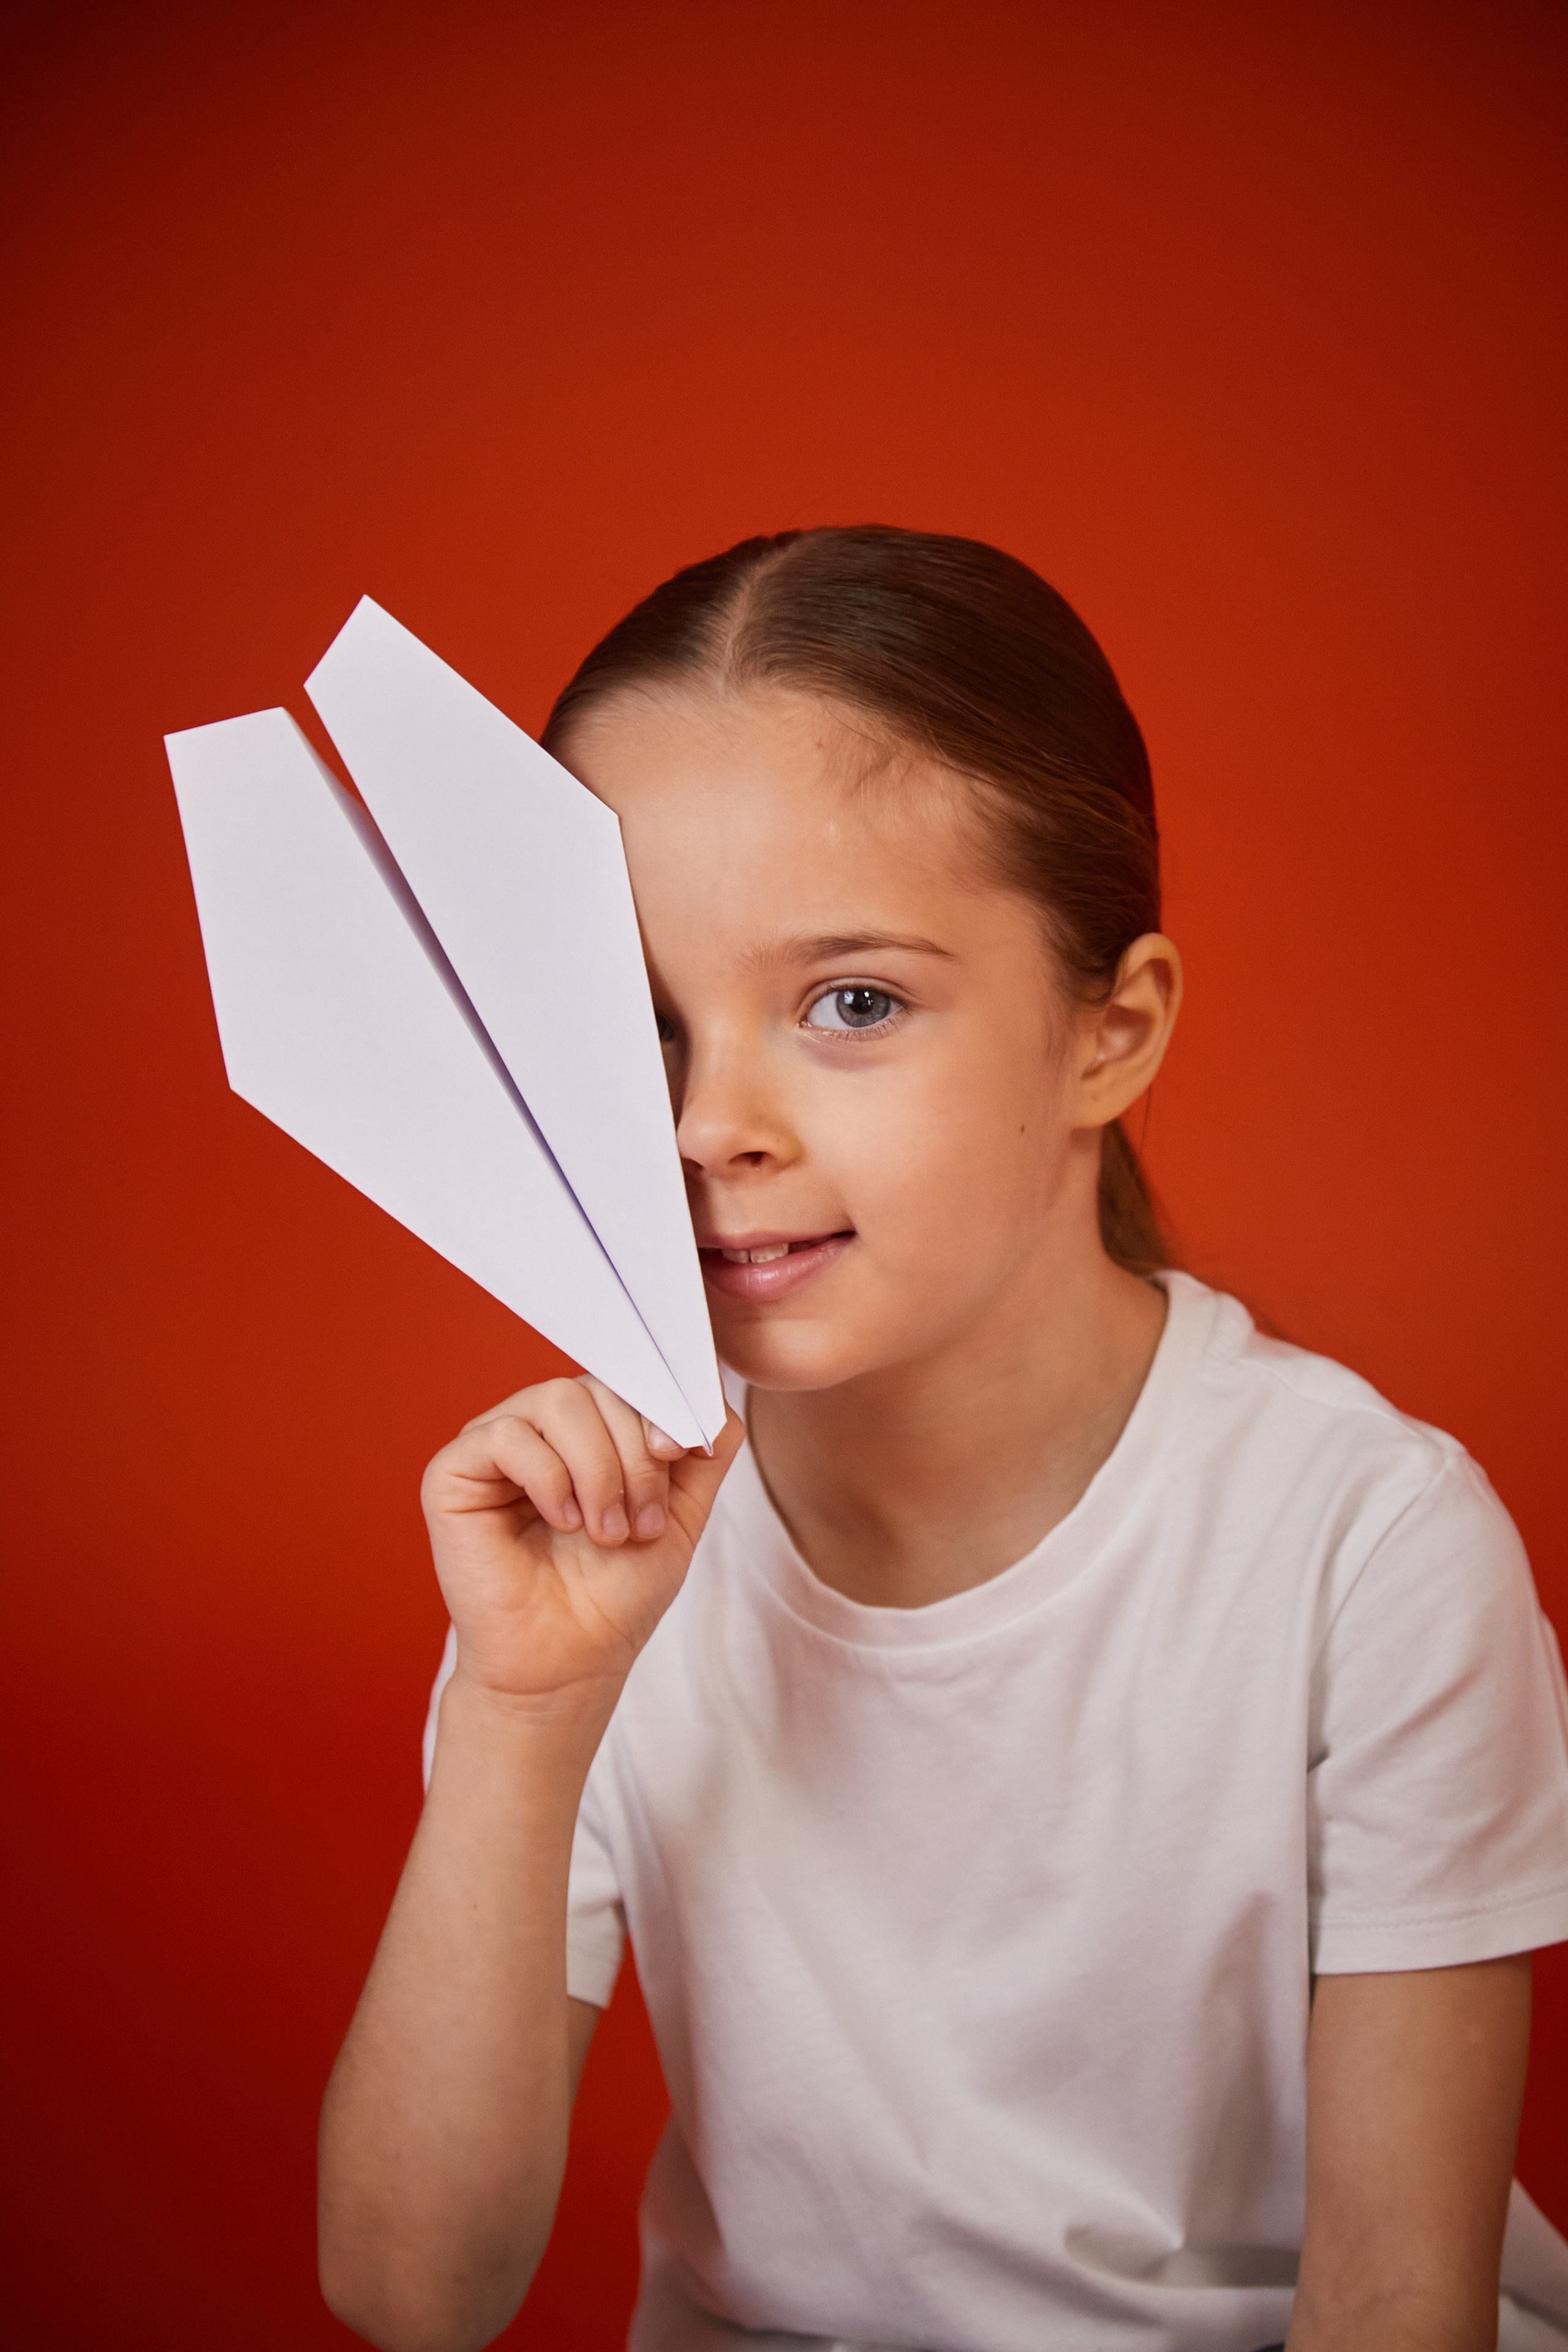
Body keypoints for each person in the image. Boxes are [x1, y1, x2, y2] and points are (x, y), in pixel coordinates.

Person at [317, 527, 1568, 2351]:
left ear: (1109, 1034)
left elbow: (1394, 2301)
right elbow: (410, 2296)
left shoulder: (1366, 1547)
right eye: (640, 1024)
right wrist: (526, 1714)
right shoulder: (596, 1549)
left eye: (854, 1003)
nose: (710, 1124)